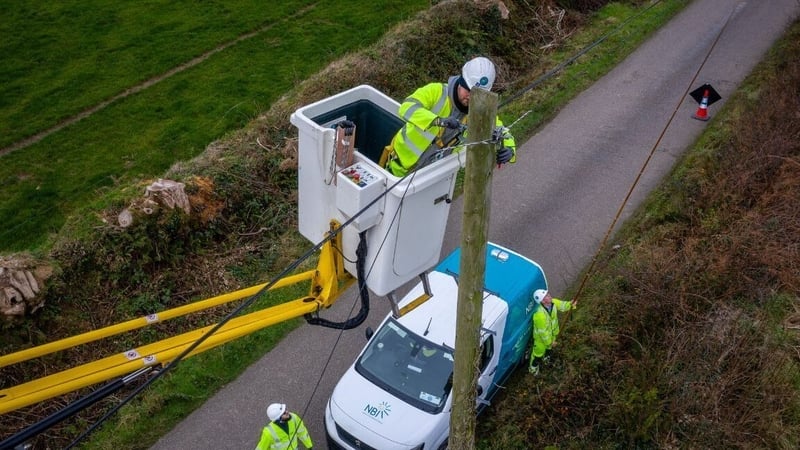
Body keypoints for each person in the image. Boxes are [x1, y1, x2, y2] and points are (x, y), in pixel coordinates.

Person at [382, 56, 517, 177]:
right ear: (460, 82)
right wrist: (438, 121)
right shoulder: (436, 91)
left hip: (433, 176)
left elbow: (502, 131)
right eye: (468, 90)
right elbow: (407, 107)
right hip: (399, 168)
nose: (471, 97)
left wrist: (509, 149)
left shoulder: (480, 113)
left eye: (477, 94)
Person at [529, 289, 576, 375]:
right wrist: (550, 342)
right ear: (543, 301)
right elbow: (543, 333)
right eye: (546, 296)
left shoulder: (553, 303)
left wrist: (570, 304)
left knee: (549, 349)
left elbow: (562, 305)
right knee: (537, 355)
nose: (549, 295)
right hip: (541, 340)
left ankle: (546, 358)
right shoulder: (539, 315)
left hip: (552, 334)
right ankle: (533, 370)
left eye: (547, 294)